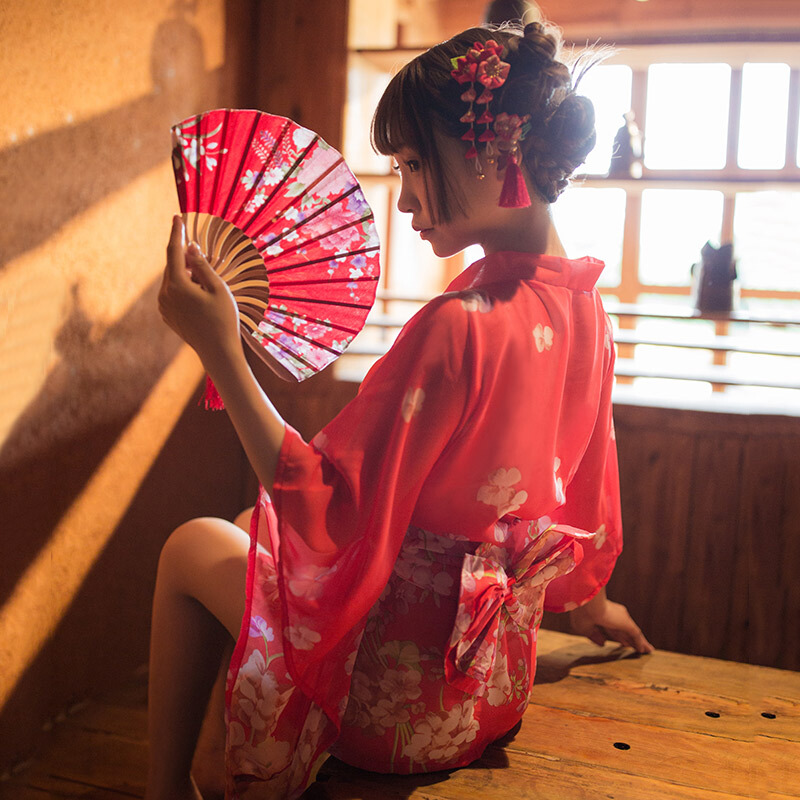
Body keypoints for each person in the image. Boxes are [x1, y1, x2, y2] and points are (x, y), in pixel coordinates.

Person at [150, 20, 654, 800]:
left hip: (390, 707)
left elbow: (322, 502)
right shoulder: (589, 312)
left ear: (494, 154)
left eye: (416, 163)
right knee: (251, 537)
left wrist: (222, 351)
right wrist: (591, 605)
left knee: (191, 546)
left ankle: (164, 791)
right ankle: (209, 766)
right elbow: (583, 498)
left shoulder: (460, 328)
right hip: (488, 687)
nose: (408, 194)